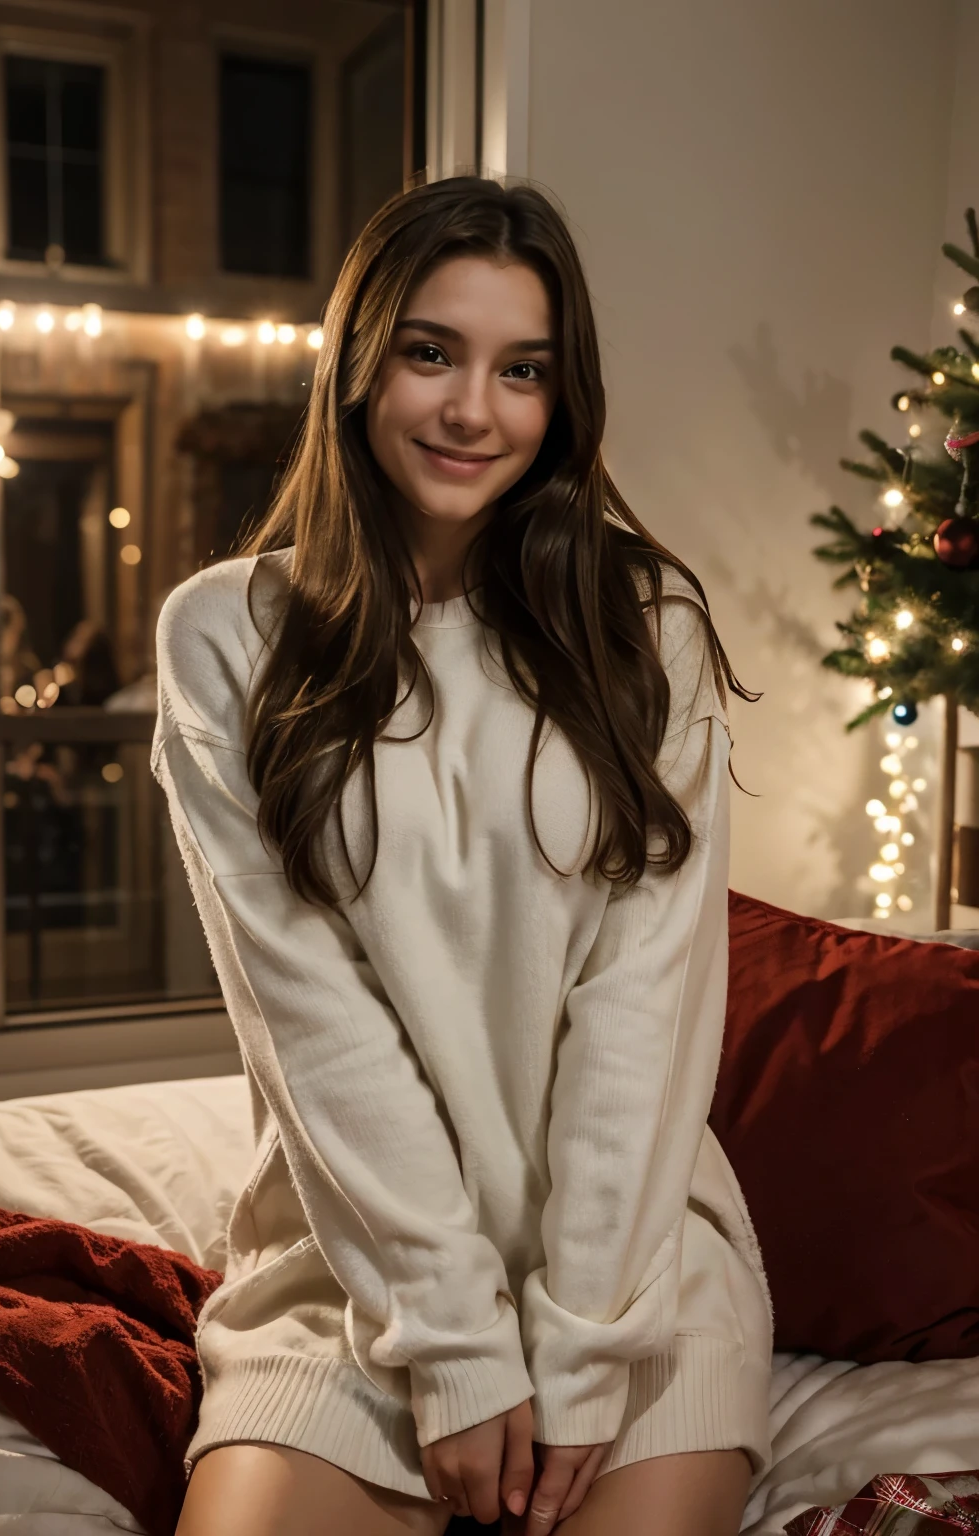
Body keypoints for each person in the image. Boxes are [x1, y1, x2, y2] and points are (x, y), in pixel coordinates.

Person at [156, 175, 773, 1536]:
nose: (470, 410)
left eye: (523, 370)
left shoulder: (643, 621)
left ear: (563, 399)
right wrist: (454, 1344)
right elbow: (316, 1032)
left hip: (632, 1267)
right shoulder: (225, 640)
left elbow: (644, 1006)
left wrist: (585, 1348)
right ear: (364, 362)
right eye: (432, 351)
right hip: (351, 1272)